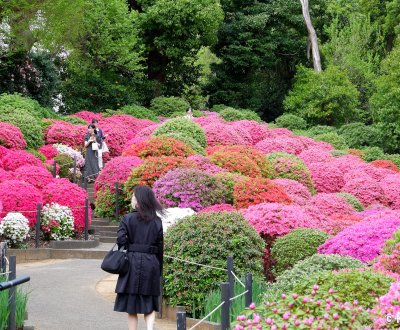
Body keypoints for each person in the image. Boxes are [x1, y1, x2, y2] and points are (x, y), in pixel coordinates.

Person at [114, 186, 164, 330]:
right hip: (151, 263)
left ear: (139, 200)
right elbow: (160, 247)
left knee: (132, 306)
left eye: (133, 196)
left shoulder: (127, 218)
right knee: (149, 303)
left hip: (132, 263)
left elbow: (120, 240)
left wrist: (130, 248)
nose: (131, 198)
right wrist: (159, 268)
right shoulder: (157, 221)